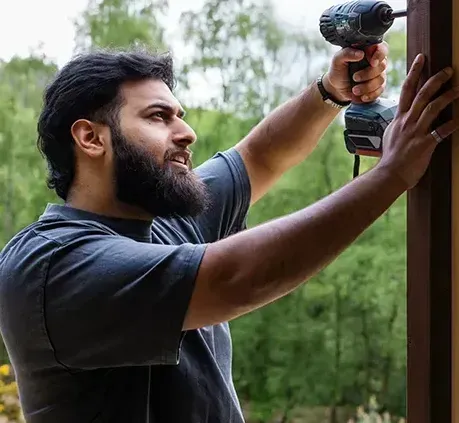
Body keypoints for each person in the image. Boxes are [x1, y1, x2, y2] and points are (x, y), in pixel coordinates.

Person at [0, 42, 457, 423]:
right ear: (90, 138)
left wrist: (330, 92)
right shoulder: (52, 264)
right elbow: (238, 276)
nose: (188, 132)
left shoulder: (166, 222)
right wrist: (392, 174)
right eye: (159, 117)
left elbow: (260, 155)